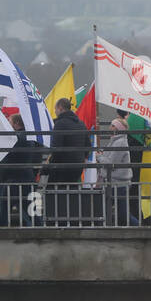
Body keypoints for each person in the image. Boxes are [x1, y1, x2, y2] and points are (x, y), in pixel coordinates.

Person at [0, 114, 43, 226]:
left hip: (14, 179)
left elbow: (7, 159)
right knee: (32, 210)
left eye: (9, 121)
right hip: (28, 178)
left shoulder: (15, 139)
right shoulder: (29, 137)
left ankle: (0, 231)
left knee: (3, 209)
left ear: (16, 124)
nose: (7, 124)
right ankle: (41, 230)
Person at [46, 97, 89, 227]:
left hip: (62, 167)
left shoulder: (60, 124)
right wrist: (82, 159)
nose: (55, 112)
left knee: (52, 192)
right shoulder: (81, 123)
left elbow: (56, 149)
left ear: (60, 108)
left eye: (55, 109)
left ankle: (54, 221)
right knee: (72, 192)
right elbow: (88, 145)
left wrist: (50, 166)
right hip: (77, 167)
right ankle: (73, 220)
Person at [95, 115, 137, 227]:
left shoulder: (119, 143)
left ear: (118, 129)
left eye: (113, 125)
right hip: (117, 183)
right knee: (118, 212)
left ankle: (103, 229)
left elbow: (110, 163)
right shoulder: (116, 141)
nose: (110, 127)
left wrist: (99, 157)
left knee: (107, 211)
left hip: (117, 183)